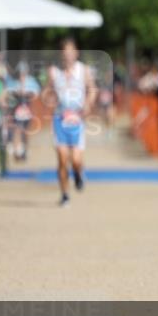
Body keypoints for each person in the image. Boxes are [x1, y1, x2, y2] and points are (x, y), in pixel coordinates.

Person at [44, 38, 97, 206]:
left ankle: (79, 174)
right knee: (62, 157)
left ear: (76, 53)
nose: (68, 55)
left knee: (75, 159)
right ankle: (65, 194)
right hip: (60, 118)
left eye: (71, 51)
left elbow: (92, 89)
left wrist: (88, 103)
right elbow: (46, 91)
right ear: (61, 54)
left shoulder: (84, 70)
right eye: (65, 52)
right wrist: (48, 98)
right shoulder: (54, 72)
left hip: (77, 119)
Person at [5, 61, 41, 162]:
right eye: (20, 72)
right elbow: (8, 92)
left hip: (27, 110)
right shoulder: (14, 82)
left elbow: (36, 94)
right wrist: (16, 93)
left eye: (23, 72)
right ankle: (18, 151)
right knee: (17, 129)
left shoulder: (31, 81)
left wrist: (27, 94)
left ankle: (25, 149)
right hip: (16, 110)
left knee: (26, 131)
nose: (22, 74)